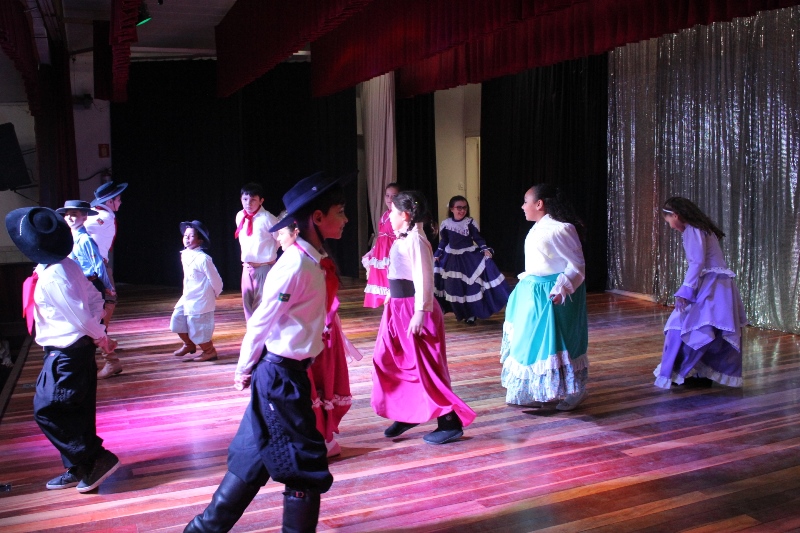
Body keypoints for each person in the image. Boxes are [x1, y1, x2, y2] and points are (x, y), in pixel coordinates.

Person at [185, 170, 352, 533]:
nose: (346, 218)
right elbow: (260, 322)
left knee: (252, 456)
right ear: (317, 217)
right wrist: (243, 369)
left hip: (286, 375)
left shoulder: (312, 261)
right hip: (280, 377)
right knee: (306, 468)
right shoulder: (295, 265)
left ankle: (201, 530)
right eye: (340, 211)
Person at [5, 207, 121, 493]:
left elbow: (80, 314)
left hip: (68, 352)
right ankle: (80, 466)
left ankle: (95, 459)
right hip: (71, 350)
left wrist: (100, 336)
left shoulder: (55, 274)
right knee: (76, 410)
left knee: (48, 410)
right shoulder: (62, 266)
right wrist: (99, 327)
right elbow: (94, 299)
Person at [371, 190, 476, 445]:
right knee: (391, 360)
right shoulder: (405, 238)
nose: (389, 216)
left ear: (405, 215)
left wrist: (420, 312)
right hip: (399, 307)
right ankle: (409, 411)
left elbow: (424, 278)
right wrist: (392, 295)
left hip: (413, 310)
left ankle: (449, 422)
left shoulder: (416, 240)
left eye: (393, 212)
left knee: (425, 367)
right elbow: (402, 272)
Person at [275, 214, 362, 458]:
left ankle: (322, 440)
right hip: (318, 331)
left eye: (281, 233)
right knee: (314, 386)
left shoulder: (305, 262)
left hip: (319, 332)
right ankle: (320, 439)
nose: (278, 238)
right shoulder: (306, 259)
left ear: (295, 232)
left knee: (317, 384)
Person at [499, 184, 589, 411]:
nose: (522, 207)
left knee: (555, 343)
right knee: (530, 342)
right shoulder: (537, 227)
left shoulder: (561, 229)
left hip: (552, 294)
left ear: (539, 204)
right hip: (533, 292)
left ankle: (571, 392)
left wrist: (562, 288)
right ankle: (536, 390)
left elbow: (576, 265)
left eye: (526, 201)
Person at [654, 197, 747, 389]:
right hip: (717, 285)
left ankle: (681, 371)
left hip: (712, 287)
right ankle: (701, 374)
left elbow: (697, 262)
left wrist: (685, 290)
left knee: (686, 327)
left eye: (668, 220)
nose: (670, 226)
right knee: (706, 330)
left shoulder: (693, 230)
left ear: (675, 215)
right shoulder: (701, 229)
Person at [57, 200, 121, 380]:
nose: (70, 218)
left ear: (84, 217)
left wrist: (108, 286)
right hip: (80, 284)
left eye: (74, 214)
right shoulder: (72, 237)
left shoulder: (85, 239)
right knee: (89, 325)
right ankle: (106, 356)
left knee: (94, 323)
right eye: (67, 214)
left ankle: (111, 360)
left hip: (91, 284)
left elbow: (98, 264)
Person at [433, 195, 510, 324]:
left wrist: (484, 249)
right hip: (452, 259)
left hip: (468, 258)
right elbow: (444, 241)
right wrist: (438, 253)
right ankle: (461, 313)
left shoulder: (469, 222)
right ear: (451, 209)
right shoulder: (446, 224)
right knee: (454, 287)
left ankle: (472, 314)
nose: (462, 210)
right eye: (459, 207)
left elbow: (478, 238)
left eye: (464, 207)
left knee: (471, 286)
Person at [85, 180, 127, 378]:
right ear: (109, 201)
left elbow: (82, 226)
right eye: (118, 199)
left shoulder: (103, 217)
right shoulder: (100, 215)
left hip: (96, 271)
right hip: (93, 270)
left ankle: (110, 360)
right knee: (95, 317)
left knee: (98, 317)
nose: (120, 203)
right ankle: (107, 359)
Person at [171, 220, 223, 362]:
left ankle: (209, 351)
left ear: (200, 240)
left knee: (198, 327)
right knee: (177, 319)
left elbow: (216, 280)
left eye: (191, 236)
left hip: (201, 297)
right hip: (188, 295)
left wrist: (214, 294)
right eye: (185, 235)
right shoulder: (184, 254)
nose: (187, 238)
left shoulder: (203, 259)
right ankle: (188, 344)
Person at [236, 182, 280, 321]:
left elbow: (279, 239)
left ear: (261, 201)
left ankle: (263, 333)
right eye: (245, 199)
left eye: (253, 200)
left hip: (264, 267)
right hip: (247, 267)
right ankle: (252, 332)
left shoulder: (268, 218)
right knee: (247, 303)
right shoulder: (240, 216)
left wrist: (268, 255)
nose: (248, 203)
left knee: (261, 304)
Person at [362, 182, 400, 308]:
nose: (390, 199)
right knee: (382, 282)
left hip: (391, 253)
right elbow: (381, 238)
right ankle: (388, 308)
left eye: (394, 196)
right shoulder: (385, 215)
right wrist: (373, 251)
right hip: (381, 253)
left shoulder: (399, 215)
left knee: (391, 282)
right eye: (387, 195)